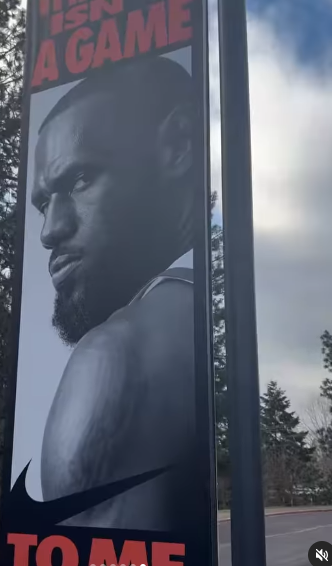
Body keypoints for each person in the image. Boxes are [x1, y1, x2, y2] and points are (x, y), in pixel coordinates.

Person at [32, 55, 199, 531]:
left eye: (80, 179)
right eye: (43, 204)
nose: (49, 230)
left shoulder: (115, 354)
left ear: (178, 145)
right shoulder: (205, 313)